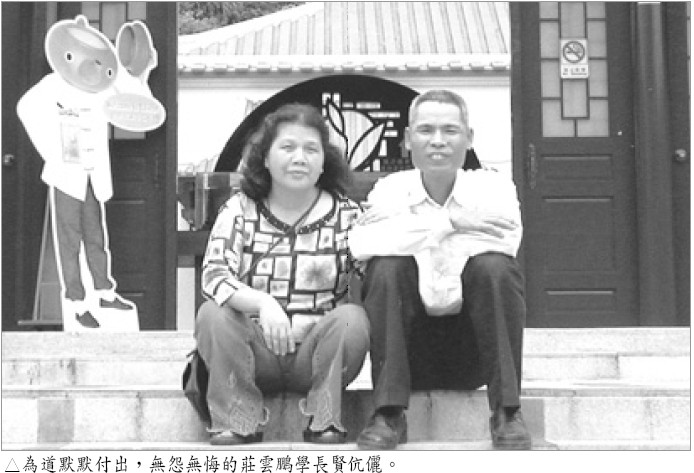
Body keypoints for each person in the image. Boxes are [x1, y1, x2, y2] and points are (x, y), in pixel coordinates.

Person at [349, 90, 531, 450]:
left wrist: (407, 231)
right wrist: (452, 222)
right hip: (407, 349)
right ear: (407, 139)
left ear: (469, 138)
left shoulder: (493, 187)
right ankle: (388, 414)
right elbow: (363, 244)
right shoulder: (389, 189)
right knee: (387, 267)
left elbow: (504, 242)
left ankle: (507, 412)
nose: (437, 141)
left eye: (450, 130)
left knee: (494, 267)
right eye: (425, 130)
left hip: (473, 348)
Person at [195, 103, 369, 445]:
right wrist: (263, 304)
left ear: (324, 161)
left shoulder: (348, 215)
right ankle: (237, 420)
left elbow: (373, 271)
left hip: (315, 355)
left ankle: (324, 419)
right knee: (213, 314)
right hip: (254, 352)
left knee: (353, 318)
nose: (299, 158)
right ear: (265, 157)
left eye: (311, 149)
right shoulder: (240, 208)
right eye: (287, 147)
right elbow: (214, 275)